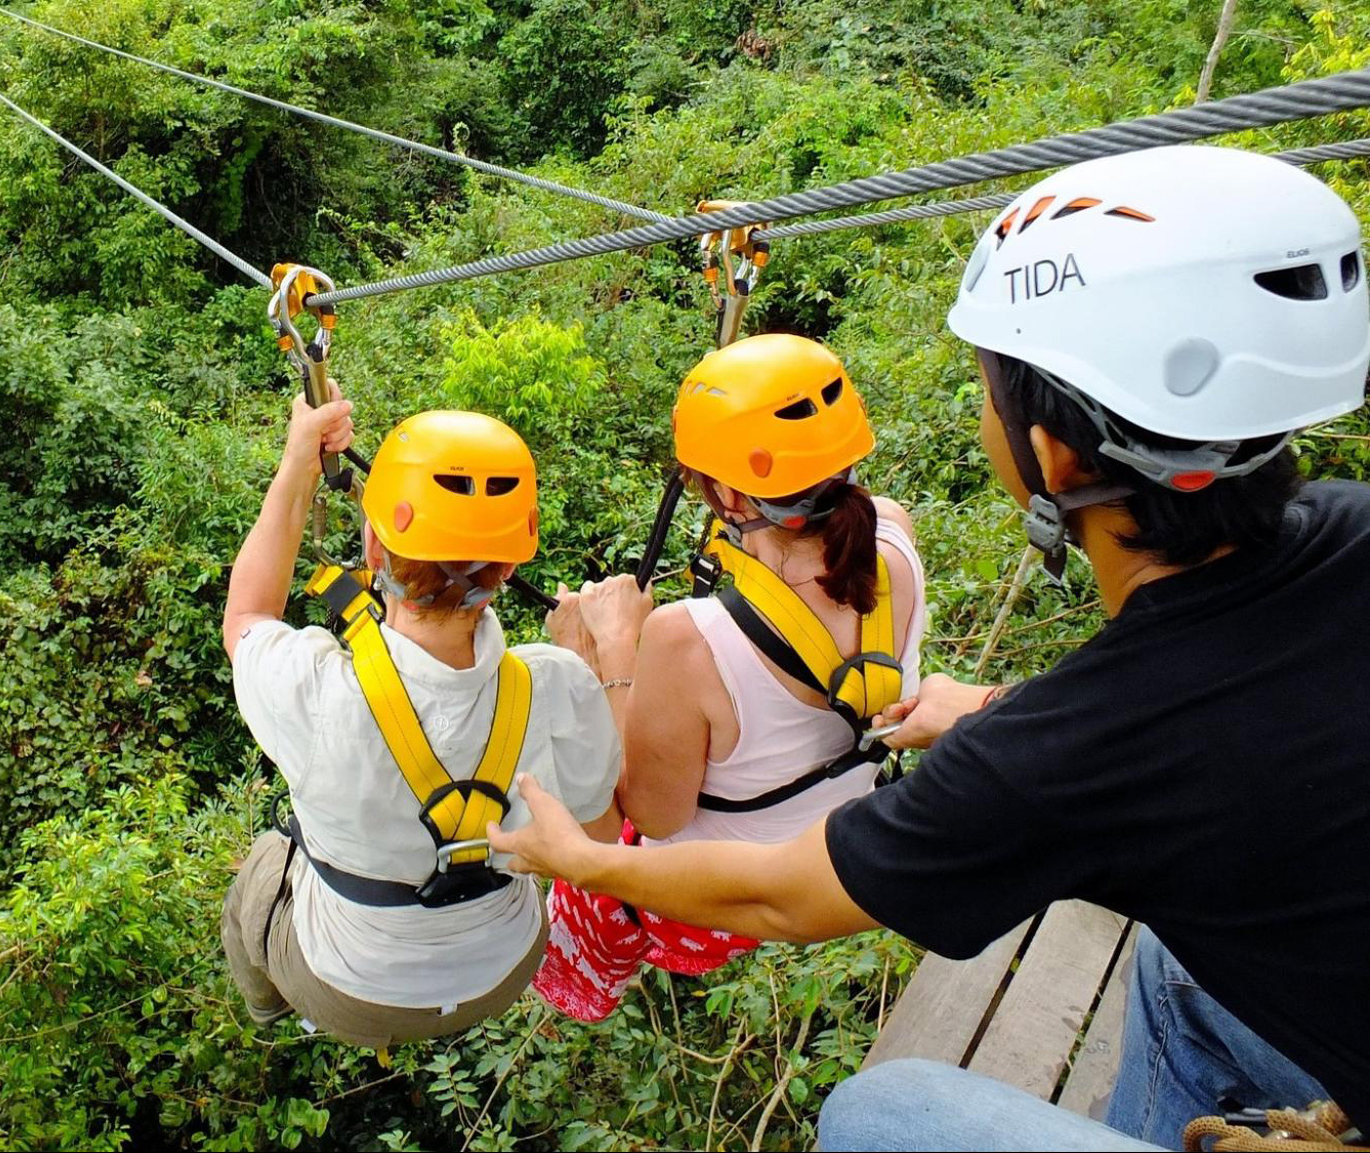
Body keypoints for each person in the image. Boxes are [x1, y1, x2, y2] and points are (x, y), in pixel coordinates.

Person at [484, 144, 1370, 1147]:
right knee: (1177, 970)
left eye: (991, 389)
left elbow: (780, 898)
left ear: (1051, 456)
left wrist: (576, 855)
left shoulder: (1061, 756)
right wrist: (993, 708)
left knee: (878, 1110)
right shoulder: (1349, 525)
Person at [530, 334, 928, 1021]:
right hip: (827, 848)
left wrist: (606, 655)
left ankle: (575, 983)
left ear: (724, 493)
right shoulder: (892, 537)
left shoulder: (689, 638)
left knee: (584, 803)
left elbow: (653, 816)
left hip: (714, 897)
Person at [220, 396, 622, 1049]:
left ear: (374, 545)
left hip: (351, 988)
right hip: (505, 967)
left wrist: (299, 460)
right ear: (509, 565)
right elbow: (602, 832)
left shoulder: (317, 691)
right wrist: (599, 661)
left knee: (265, 867)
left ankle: (268, 1012)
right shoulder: (558, 685)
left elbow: (247, 618)